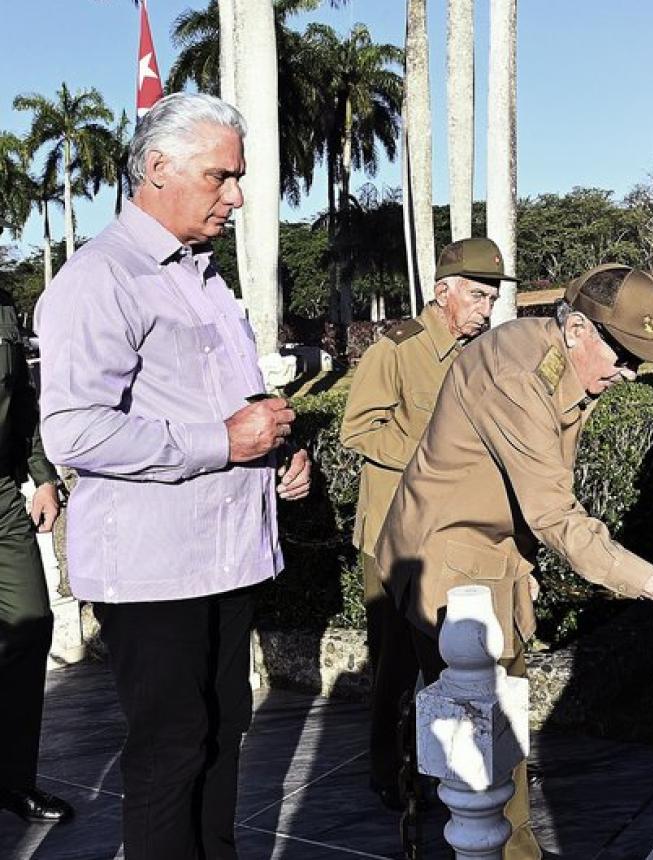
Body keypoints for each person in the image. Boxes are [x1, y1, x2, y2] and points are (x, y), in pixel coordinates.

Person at [375, 263, 653, 860]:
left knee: (503, 729)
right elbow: (557, 518)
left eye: (640, 359)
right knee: (483, 738)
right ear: (576, 329)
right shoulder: (515, 375)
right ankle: (503, 851)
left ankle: (512, 845)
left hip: (493, 560)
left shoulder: (563, 359)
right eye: (623, 354)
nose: (630, 372)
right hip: (450, 566)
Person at [34, 92, 312, 860]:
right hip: (154, 570)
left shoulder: (204, 277)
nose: (238, 195)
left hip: (228, 556)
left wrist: (274, 445)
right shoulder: (100, 279)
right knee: (170, 750)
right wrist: (223, 441)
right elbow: (74, 430)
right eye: (222, 176)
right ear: (157, 169)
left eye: (238, 177)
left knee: (225, 729)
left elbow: (227, 406)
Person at [340, 237, 508, 811]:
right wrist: (433, 448)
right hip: (391, 536)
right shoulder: (396, 349)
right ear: (444, 292)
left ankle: (454, 764)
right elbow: (357, 429)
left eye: (491, 297)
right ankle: (386, 769)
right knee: (394, 661)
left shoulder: (478, 351)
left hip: (452, 533)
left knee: (447, 653)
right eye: (479, 296)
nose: (488, 309)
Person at [0, 289, 72, 825]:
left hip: (1, 496)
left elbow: (24, 403)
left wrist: (42, 477)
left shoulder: (3, 305)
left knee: (31, 623)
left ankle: (12, 782)